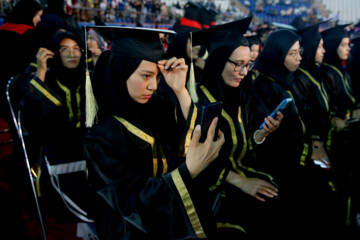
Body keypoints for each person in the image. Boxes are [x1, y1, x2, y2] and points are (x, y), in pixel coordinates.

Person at [83, 26, 225, 240]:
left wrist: (180, 90)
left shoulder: (156, 107)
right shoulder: (101, 133)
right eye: (146, 75)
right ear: (122, 71)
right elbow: (132, 200)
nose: (153, 86)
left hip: (170, 211)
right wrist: (188, 172)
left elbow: (192, 139)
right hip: (130, 227)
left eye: (157, 76)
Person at [191, 16, 282, 239]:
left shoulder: (242, 94)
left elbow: (244, 144)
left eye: (248, 64)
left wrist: (262, 133)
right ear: (219, 61)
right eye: (237, 64)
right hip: (212, 188)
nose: (244, 72)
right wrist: (240, 181)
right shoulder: (198, 102)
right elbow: (195, 161)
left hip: (242, 172)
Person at [248, 28, 333, 237]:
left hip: (299, 158)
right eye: (292, 53)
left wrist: (313, 142)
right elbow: (267, 137)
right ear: (277, 53)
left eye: (299, 52)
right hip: (281, 168)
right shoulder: (264, 87)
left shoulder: (286, 79)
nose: (298, 58)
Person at [20, 30, 97, 240]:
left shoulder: (89, 78)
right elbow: (32, 118)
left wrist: (100, 63)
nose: (72, 54)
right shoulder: (45, 80)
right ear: (54, 53)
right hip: (57, 155)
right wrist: (42, 72)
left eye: (76, 49)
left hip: (89, 153)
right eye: (64, 50)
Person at [320, 24, 360, 232]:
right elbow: (331, 111)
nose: (348, 49)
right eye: (344, 45)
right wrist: (349, 115)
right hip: (335, 142)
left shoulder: (340, 71)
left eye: (349, 44)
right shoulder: (326, 73)